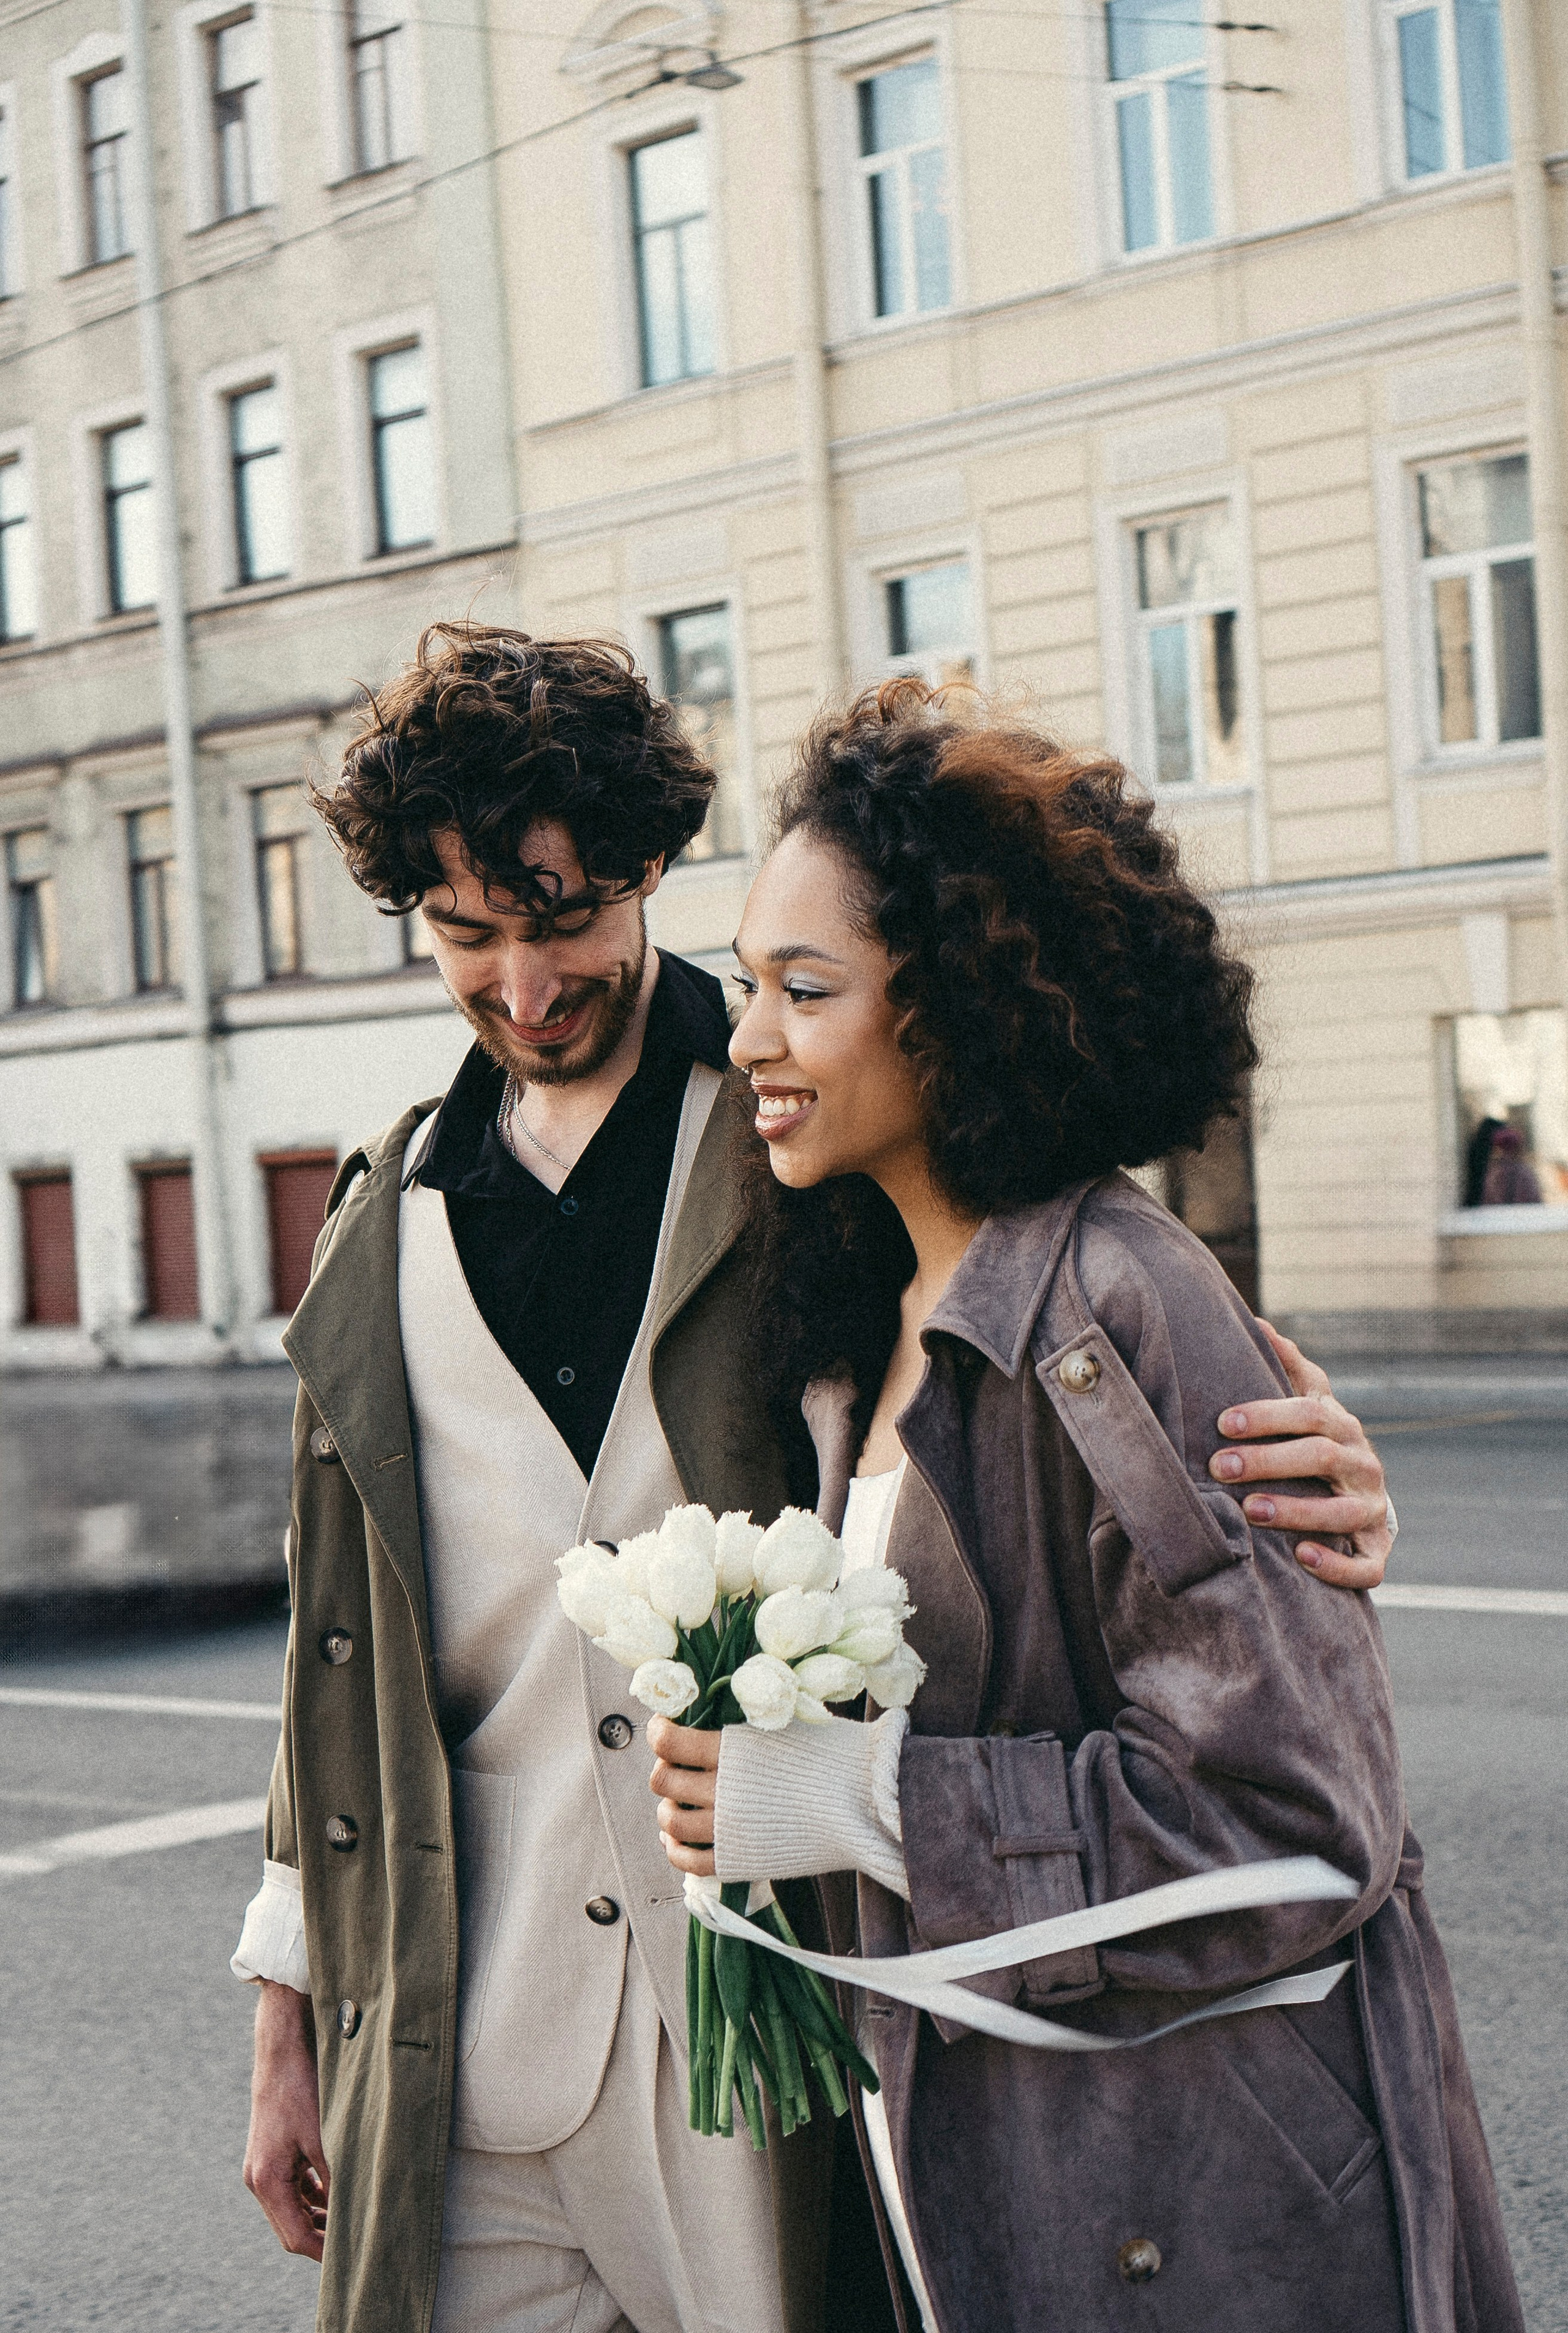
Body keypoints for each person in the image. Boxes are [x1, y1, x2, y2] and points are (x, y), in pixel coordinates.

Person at [235, 628, 1401, 2333]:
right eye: (466, 935)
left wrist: (1324, 1483)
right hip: (466, 2029)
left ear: (644, 871)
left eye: (562, 916)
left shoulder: (817, 1117)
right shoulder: (379, 1212)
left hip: (778, 2029)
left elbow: (1058, 1360)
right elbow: (328, 1646)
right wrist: (288, 2015)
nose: (524, 983)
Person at [649, 679, 1521, 2333]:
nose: (750, 1039)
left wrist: (859, 1802)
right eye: (744, 985)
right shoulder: (860, 1314)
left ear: (955, 1010)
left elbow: (1290, 1827)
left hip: (1196, 2218)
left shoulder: (1120, 1311)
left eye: (804, 989)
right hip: (1013, 2180)